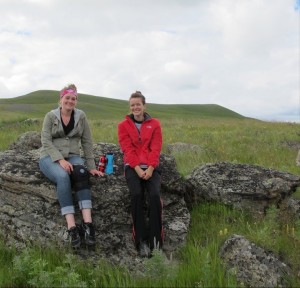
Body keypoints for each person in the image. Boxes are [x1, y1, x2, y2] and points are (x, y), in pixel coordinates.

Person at [39, 84, 103, 248]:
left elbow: (87, 142)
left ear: (76, 101)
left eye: (73, 98)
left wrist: (91, 166)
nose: (70, 101)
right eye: (67, 98)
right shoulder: (50, 116)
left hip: (73, 156)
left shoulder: (81, 116)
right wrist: (60, 160)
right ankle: (72, 226)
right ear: (61, 99)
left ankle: (88, 225)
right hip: (50, 157)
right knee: (63, 176)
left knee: (81, 172)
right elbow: (45, 141)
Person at [118, 91, 164, 257]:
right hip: (133, 167)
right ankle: (141, 242)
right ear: (130, 107)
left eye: (138, 104)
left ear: (144, 105)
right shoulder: (123, 126)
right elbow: (127, 149)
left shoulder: (155, 124)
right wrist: (137, 169)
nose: (135, 107)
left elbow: (156, 148)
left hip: (152, 166)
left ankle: (156, 242)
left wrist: (151, 168)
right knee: (136, 195)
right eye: (132, 105)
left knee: (154, 196)